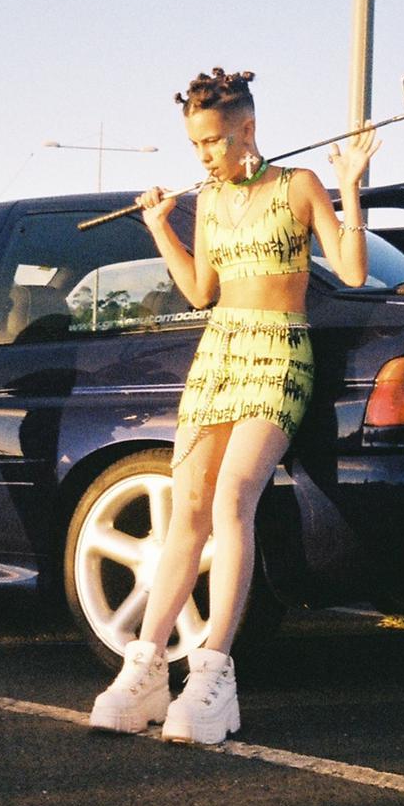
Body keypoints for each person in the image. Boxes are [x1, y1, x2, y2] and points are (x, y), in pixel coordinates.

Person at [89, 68, 378, 744]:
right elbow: (198, 291)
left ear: (248, 127)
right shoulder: (210, 202)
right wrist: (161, 226)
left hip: (279, 353)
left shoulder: (298, 187)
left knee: (232, 500)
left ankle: (214, 673)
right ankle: (147, 667)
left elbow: (355, 270)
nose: (206, 156)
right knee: (186, 506)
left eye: (215, 141)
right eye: (196, 146)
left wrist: (353, 189)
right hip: (218, 353)